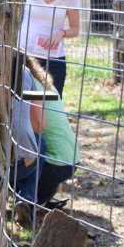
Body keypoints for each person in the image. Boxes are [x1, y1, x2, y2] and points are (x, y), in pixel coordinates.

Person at [18, 0, 80, 97]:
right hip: (25, 57)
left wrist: (62, 33)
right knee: (24, 108)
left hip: (54, 61)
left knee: (50, 110)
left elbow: (76, 29)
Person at [26, 57, 80, 209]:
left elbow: (39, 126)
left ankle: (30, 198)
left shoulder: (29, 86)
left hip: (55, 162)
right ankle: (40, 197)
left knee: (22, 145)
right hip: (72, 157)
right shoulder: (46, 84)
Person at [10, 63, 45, 228]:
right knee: (40, 145)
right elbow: (38, 124)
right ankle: (26, 199)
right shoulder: (25, 73)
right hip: (15, 167)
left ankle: (23, 198)